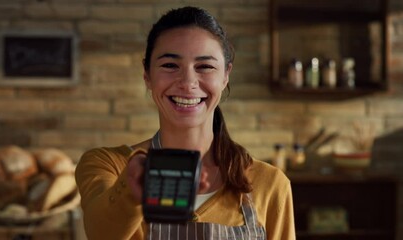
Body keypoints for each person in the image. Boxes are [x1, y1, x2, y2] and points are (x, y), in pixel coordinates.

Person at [75, 6, 295, 240]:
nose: (188, 82)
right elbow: (100, 233)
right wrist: (134, 189)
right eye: (170, 65)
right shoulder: (108, 164)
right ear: (147, 75)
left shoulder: (270, 184)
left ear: (225, 76)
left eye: (205, 67)